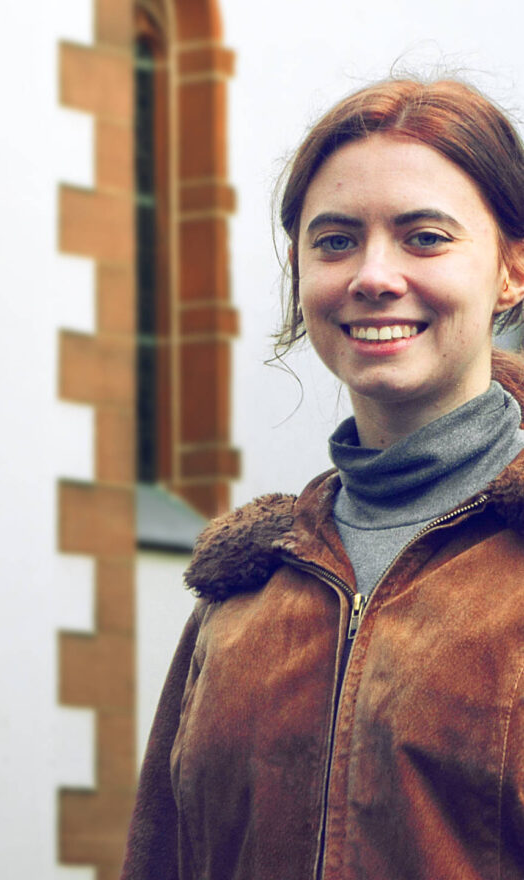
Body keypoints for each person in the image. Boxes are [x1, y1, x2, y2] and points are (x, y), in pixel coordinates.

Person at [120, 77, 524, 880]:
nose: (373, 274)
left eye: (425, 237)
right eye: (335, 240)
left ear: (511, 271)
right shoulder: (245, 584)